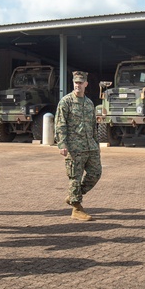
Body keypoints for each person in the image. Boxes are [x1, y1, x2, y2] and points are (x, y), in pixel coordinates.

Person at [54, 70, 101, 221]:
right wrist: (62, 144)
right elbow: (60, 124)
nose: (78, 85)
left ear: (86, 84)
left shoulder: (89, 103)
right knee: (75, 177)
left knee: (96, 173)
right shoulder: (66, 101)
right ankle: (76, 208)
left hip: (90, 146)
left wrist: (96, 144)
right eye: (76, 82)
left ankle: (73, 195)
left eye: (81, 83)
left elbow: (93, 126)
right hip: (74, 147)